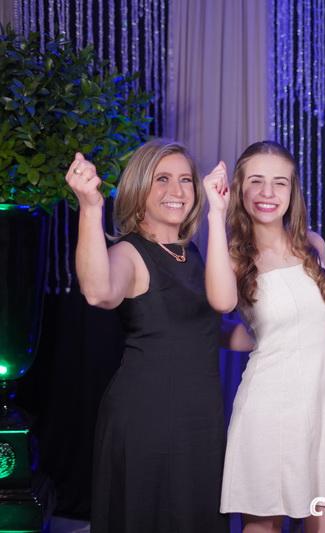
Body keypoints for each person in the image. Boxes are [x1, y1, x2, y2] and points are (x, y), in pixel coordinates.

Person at [203, 140, 325, 533]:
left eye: (279, 182)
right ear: (238, 188)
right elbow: (221, 304)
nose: (268, 192)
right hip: (269, 406)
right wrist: (215, 213)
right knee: (264, 525)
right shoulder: (232, 256)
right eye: (256, 181)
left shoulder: (313, 244)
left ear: (292, 190)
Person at [65, 140, 228, 533]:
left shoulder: (190, 253)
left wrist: (291, 334)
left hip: (200, 419)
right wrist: (90, 207)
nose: (177, 190)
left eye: (185, 180)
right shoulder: (129, 252)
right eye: (162, 179)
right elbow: (98, 292)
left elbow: (208, 331)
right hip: (149, 419)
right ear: (139, 189)